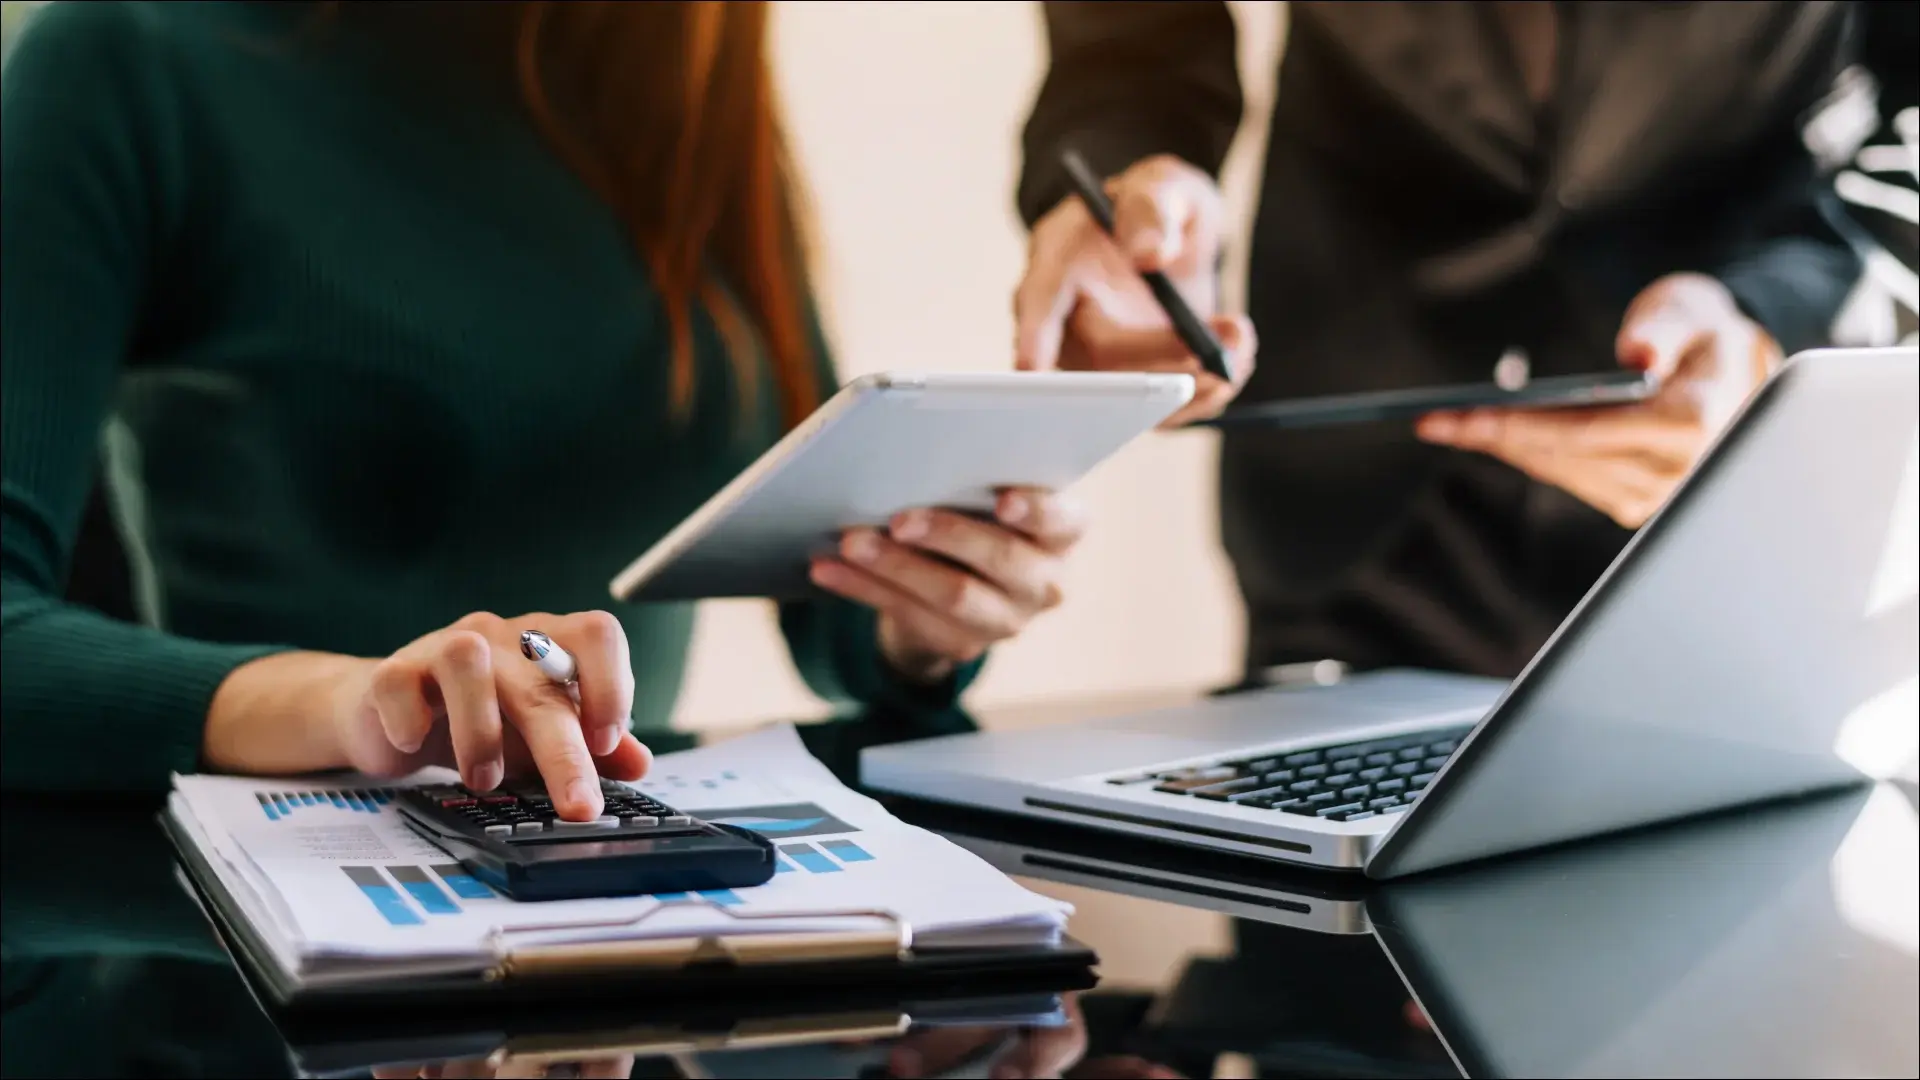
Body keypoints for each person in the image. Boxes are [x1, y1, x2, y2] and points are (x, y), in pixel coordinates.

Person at [0, 0, 1086, 820]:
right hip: (263, 952)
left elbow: (826, 608)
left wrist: (917, 618)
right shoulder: (128, 57)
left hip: (627, 914)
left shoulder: (681, 78)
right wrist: (359, 707)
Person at [1012, 2, 1864, 683]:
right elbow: (1130, 42)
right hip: (1350, 506)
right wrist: (1125, 183)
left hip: (1739, 520)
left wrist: (1768, 331)